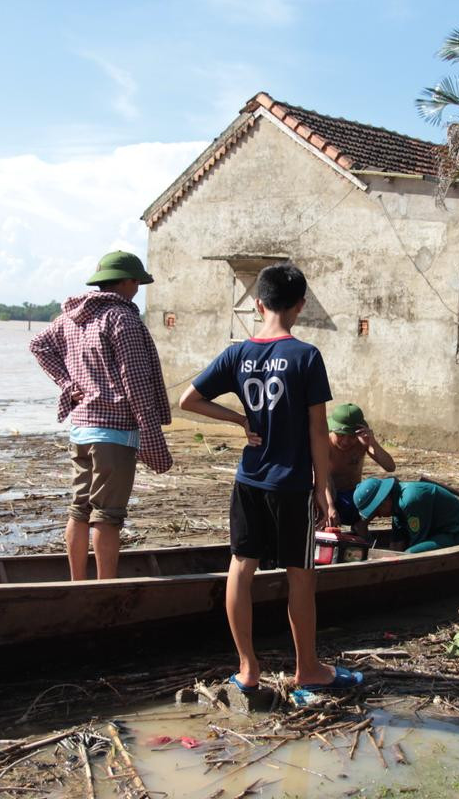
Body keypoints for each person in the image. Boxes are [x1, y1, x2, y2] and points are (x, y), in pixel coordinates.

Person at [178, 263, 362, 693]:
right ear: (300, 306)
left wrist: (240, 418)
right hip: (291, 484)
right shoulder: (306, 356)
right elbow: (319, 430)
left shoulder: (237, 353)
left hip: (250, 480)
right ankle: (309, 669)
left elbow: (189, 399)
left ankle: (247, 669)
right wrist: (325, 488)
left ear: (258, 304)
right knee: (301, 574)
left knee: (241, 566)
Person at [29, 251, 172, 581]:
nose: (137, 289)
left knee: (80, 510)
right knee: (107, 516)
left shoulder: (72, 318)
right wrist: (152, 434)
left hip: (81, 429)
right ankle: (105, 586)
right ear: (124, 282)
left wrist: (68, 383)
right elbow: (135, 382)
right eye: (136, 282)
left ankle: (78, 582)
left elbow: (39, 345)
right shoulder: (121, 318)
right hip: (115, 433)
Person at [353, 477, 459, 554]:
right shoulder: (396, 503)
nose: (379, 516)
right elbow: (397, 540)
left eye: (377, 512)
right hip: (438, 531)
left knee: (410, 554)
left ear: (384, 500)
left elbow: (417, 542)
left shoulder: (410, 500)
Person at [327, 402, 396, 526]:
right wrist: (330, 506)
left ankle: (360, 526)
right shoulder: (324, 443)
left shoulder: (362, 443)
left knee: (392, 489)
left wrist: (372, 443)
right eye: (340, 435)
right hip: (327, 498)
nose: (345, 442)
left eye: (351, 436)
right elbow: (321, 478)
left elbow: (390, 467)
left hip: (353, 498)